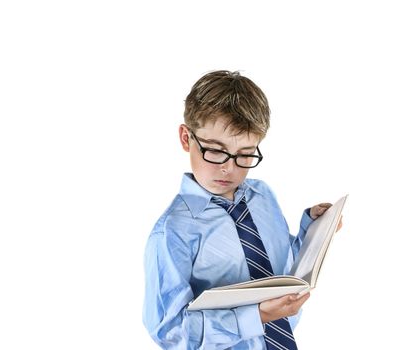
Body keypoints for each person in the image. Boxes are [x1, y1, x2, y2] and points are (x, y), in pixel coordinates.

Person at [143, 70, 336, 349]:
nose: (229, 168)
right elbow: (170, 331)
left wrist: (313, 229)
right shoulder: (172, 232)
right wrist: (257, 316)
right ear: (187, 139)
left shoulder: (262, 196)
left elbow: (277, 272)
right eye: (215, 150)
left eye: (245, 154)